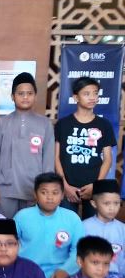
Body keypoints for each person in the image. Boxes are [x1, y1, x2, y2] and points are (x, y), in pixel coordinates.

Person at [0, 72, 55, 218]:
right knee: (6, 228)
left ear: (35, 96)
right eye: (20, 93)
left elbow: (48, 160)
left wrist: (45, 188)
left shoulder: (45, 124)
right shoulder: (1, 123)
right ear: (12, 96)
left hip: (34, 189)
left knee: (30, 228)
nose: (25, 97)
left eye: (29, 93)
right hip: (6, 189)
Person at [55, 77, 116, 219]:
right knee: (67, 227)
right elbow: (56, 157)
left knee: (92, 227)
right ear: (76, 97)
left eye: (95, 93)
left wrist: (96, 185)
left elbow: (108, 159)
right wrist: (65, 185)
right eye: (86, 94)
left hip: (93, 187)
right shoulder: (63, 124)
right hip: (68, 187)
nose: (92, 97)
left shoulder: (104, 124)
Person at [15, 172, 85, 278]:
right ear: (35, 194)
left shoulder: (72, 218)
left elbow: (79, 250)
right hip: (25, 273)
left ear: (62, 195)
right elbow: (9, 244)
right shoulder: (22, 216)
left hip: (58, 274)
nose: (50, 197)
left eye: (55, 193)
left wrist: (66, 270)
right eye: (44, 192)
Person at [83, 179, 125, 278]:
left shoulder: (123, 229)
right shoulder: (84, 227)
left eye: (116, 203)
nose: (112, 208)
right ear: (94, 204)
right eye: (107, 203)